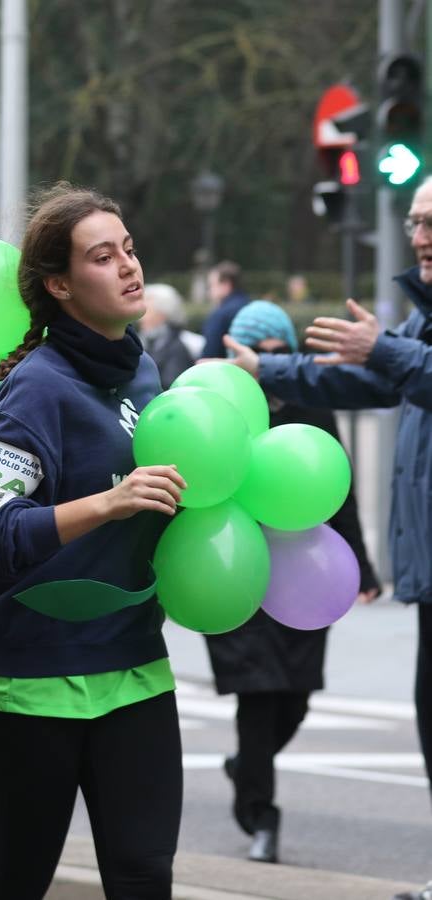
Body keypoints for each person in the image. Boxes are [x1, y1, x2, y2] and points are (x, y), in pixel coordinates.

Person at [0, 184, 186, 899]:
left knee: (143, 875)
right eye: (103, 257)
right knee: (15, 879)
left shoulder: (143, 371)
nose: (128, 266)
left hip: (134, 661)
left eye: (129, 249)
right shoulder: (36, 388)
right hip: (29, 671)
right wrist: (107, 504)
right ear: (60, 284)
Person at [218, 176, 432, 900]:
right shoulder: (422, 321)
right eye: (414, 222)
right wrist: (267, 370)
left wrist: (384, 351)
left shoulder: (411, 335)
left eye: (431, 222)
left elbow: (395, 377)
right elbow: (365, 382)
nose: (418, 237)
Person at [203, 300, 380, 865]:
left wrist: (363, 568)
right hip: (233, 565)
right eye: (258, 353)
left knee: (296, 697)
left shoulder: (310, 406)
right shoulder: (216, 408)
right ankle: (261, 815)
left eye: (279, 352)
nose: (268, 362)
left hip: (306, 572)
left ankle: (246, 767)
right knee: (258, 694)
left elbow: (338, 491)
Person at [138, 283, 197, 389]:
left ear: (163, 315)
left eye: (146, 312)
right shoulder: (147, 341)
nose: (141, 319)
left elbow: (171, 386)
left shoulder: (177, 347)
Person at [200, 260, 250, 359]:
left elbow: (210, 354)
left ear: (226, 284)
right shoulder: (250, 306)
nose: (209, 291)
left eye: (211, 285)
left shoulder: (220, 315)